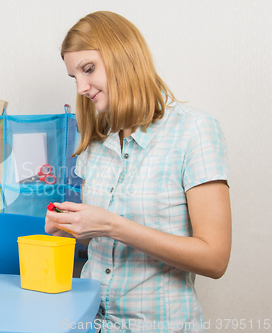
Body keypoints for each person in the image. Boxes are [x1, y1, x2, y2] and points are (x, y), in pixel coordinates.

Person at [46, 11, 231, 332]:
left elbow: (215, 260)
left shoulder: (194, 131)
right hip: (89, 322)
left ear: (123, 55)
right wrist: (69, 228)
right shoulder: (96, 143)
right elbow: (101, 246)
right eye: (74, 77)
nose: (81, 88)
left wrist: (113, 225)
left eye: (88, 69)